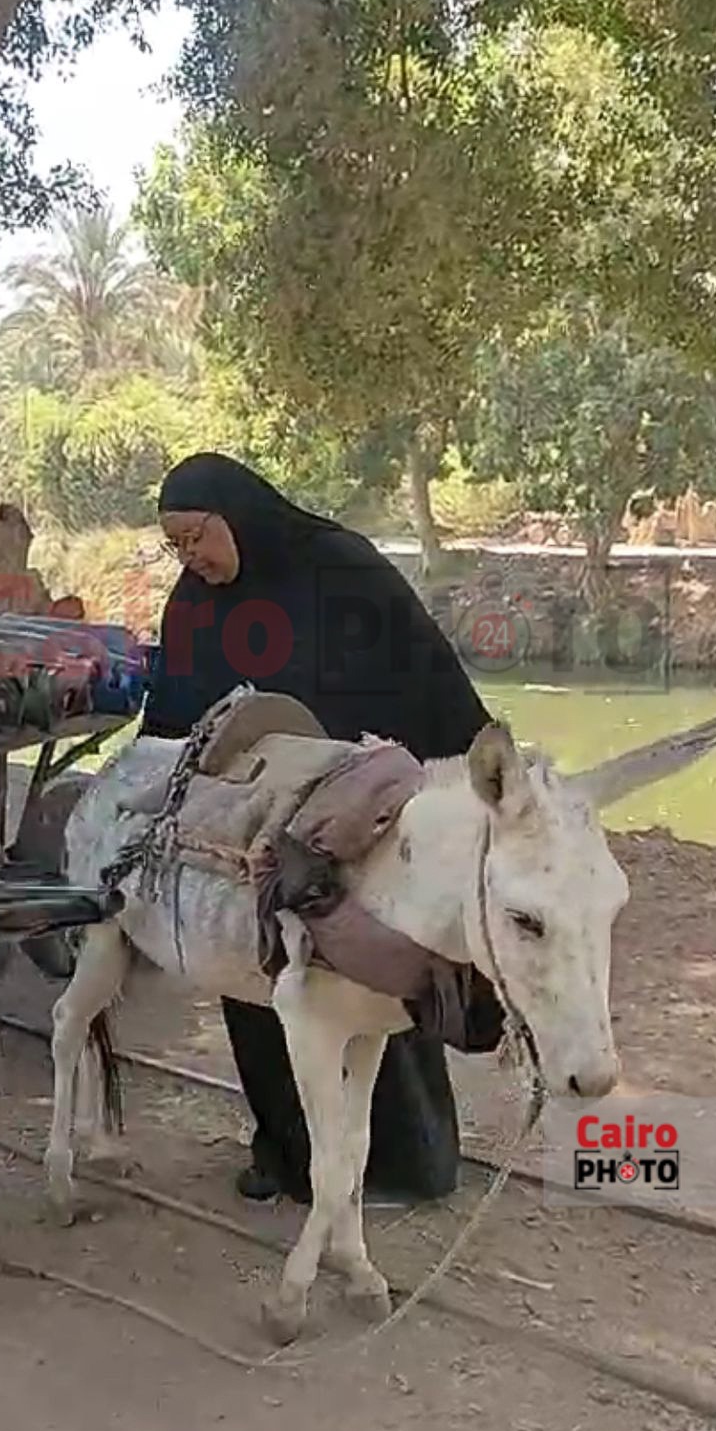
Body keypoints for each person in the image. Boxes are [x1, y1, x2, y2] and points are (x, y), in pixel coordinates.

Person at [142, 452, 502, 1206]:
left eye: (197, 536)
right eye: (174, 545)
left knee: (377, 986)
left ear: (238, 515)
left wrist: (487, 789)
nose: (189, 556)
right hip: (252, 837)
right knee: (260, 990)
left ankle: (408, 1162)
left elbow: (426, 673)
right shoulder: (195, 602)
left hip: (362, 828)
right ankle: (288, 1155)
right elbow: (173, 715)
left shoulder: (341, 567)